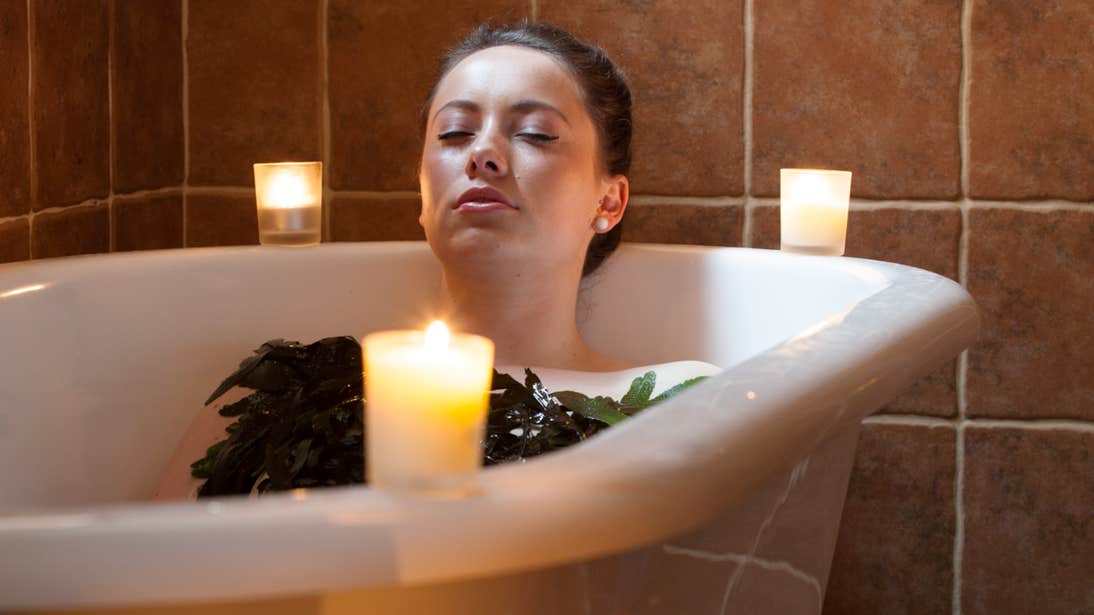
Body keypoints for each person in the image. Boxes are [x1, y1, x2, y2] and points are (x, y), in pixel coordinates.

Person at [154, 22, 719, 500]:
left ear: (608, 201)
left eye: (535, 134)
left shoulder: (682, 403)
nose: (482, 155)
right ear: (422, 194)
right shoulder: (278, 400)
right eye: (454, 132)